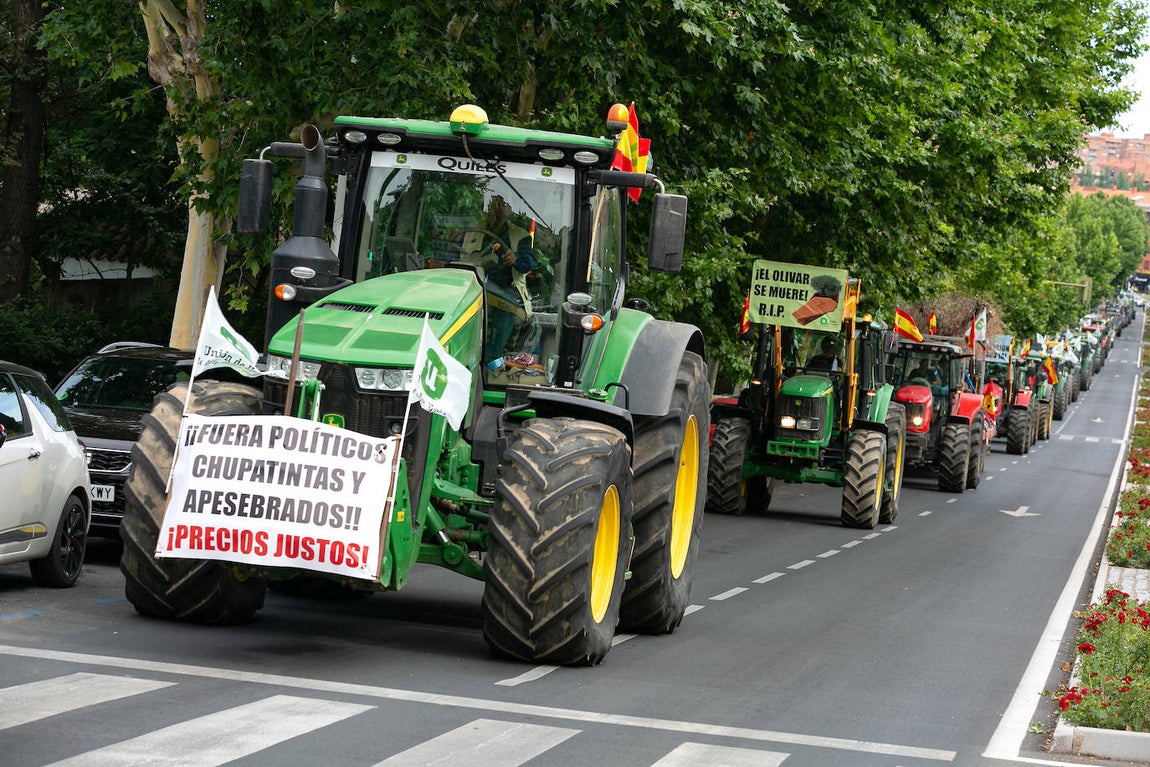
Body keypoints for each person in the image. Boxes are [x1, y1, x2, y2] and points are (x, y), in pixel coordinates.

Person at [456, 196, 539, 363]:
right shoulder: (470, 233)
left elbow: (531, 262)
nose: (495, 210)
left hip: (507, 289)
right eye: (492, 206)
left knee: (505, 306)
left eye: (500, 206)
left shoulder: (520, 236)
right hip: (471, 286)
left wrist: (516, 259)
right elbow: (453, 255)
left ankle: (493, 358)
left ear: (508, 210)